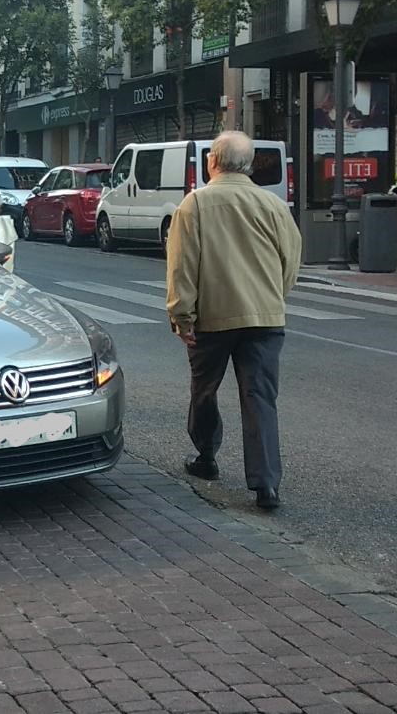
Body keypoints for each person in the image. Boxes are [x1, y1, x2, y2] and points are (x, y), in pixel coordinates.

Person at [166, 130, 301, 510]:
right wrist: (274, 296)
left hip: (212, 318)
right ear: (251, 163)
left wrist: (182, 317)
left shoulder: (195, 205)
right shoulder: (272, 204)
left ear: (212, 161)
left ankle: (207, 457)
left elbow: (182, 267)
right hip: (264, 317)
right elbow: (291, 259)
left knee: (205, 390)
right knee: (260, 397)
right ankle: (266, 485)